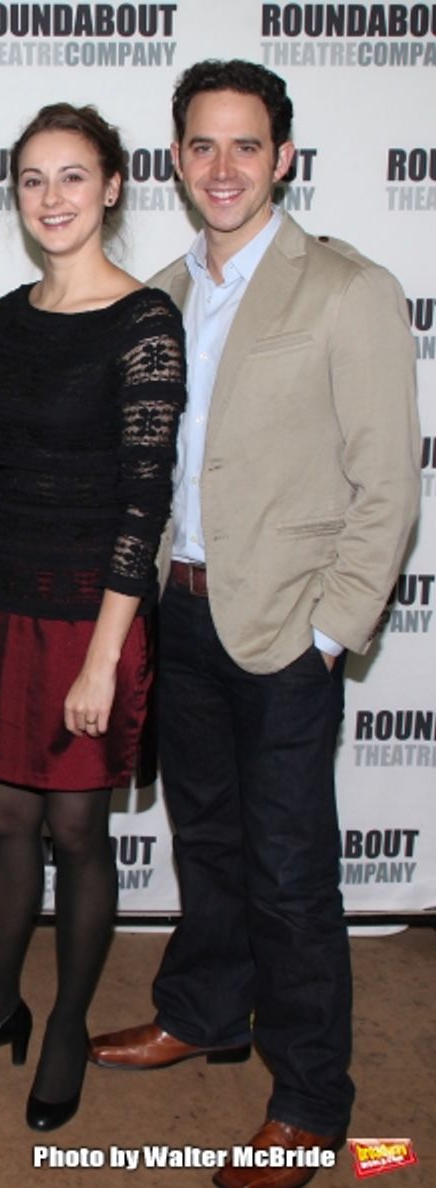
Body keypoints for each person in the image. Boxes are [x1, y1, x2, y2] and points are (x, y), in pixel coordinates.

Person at [88, 61, 419, 1188]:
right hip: (180, 616)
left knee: (289, 872)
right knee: (208, 841)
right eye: (201, 145)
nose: (222, 167)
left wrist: (330, 633)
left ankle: (313, 1105)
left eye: (245, 145)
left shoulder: (346, 288)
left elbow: (389, 485)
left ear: (283, 158)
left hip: (284, 631)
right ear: (176, 159)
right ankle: (203, 1012)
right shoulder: (160, 297)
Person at [0, 104, 185, 1132]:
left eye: (73, 176)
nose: (52, 197)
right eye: (33, 179)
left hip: (94, 619)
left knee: (76, 826)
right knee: (5, 816)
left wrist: (105, 660)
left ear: (111, 187)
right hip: (7, 607)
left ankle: (66, 1023)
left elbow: (143, 503)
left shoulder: (146, 322)